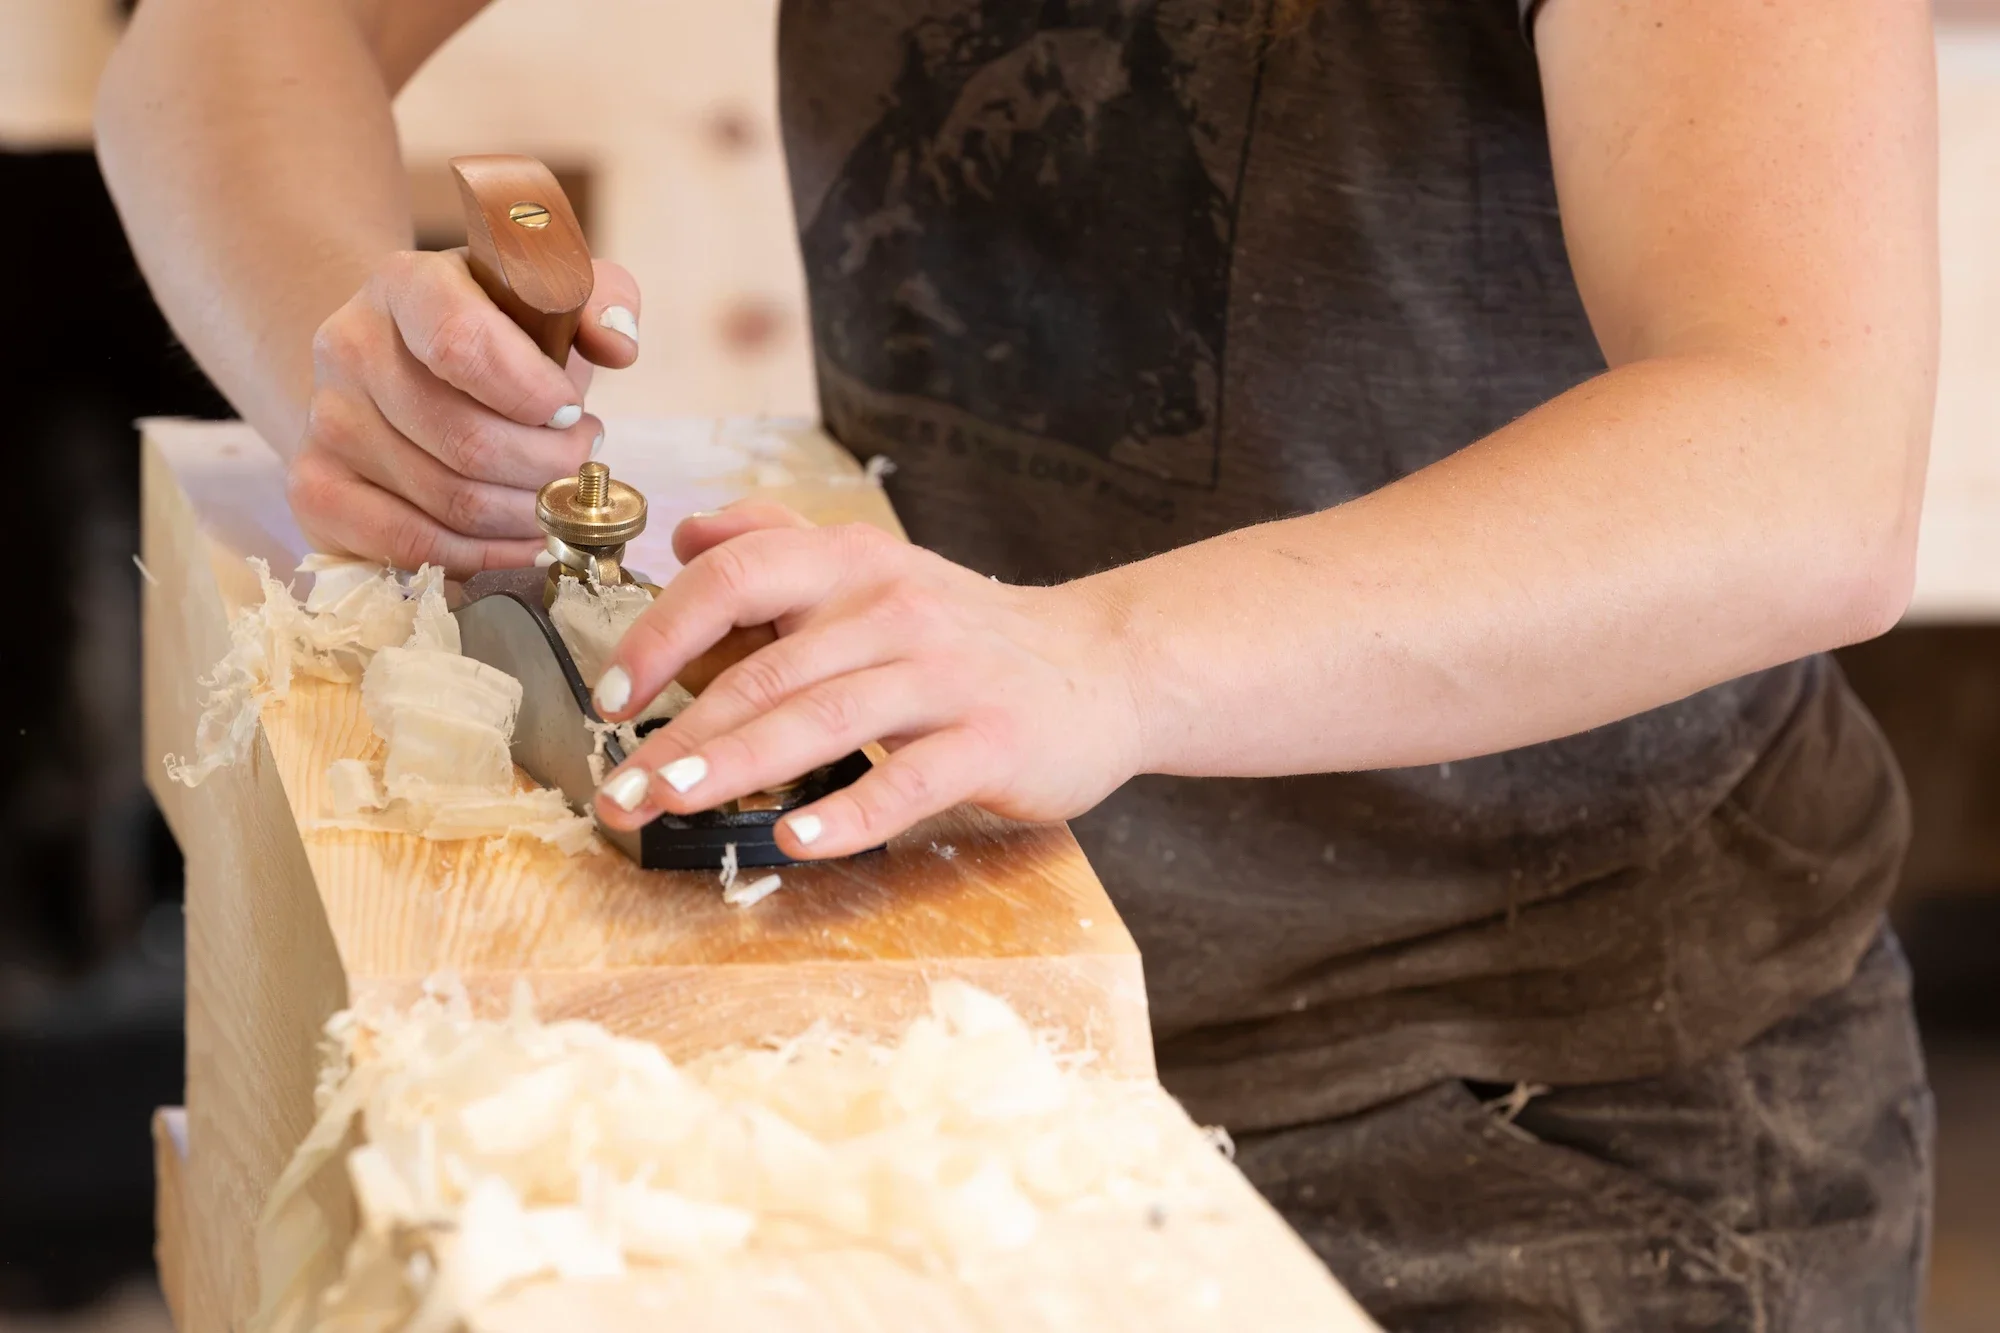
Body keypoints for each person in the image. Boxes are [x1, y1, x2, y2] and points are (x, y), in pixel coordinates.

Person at [96, 0, 1939, 1326]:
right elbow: (226, 40)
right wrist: (362, 378)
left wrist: (1113, 657)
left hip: (1535, 1108)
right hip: (948, 1025)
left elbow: (1802, 457)